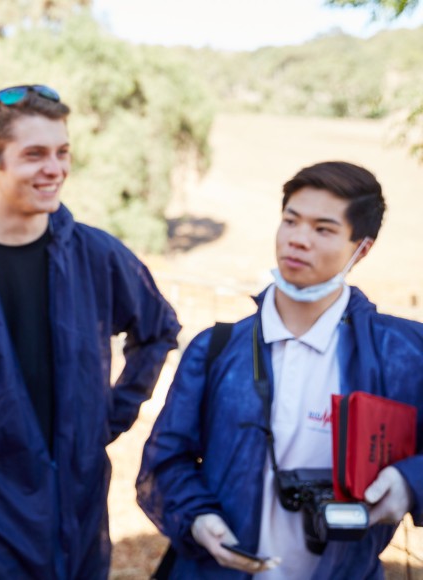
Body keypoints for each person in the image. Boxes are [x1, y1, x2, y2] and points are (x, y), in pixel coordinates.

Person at [0, 84, 181, 578]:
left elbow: (158, 329)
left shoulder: (96, 255)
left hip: (79, 522)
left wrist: (109, 416)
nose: (55, 168)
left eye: (62, 152)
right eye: (35, 154)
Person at [137, 161, 423, 579]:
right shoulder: (216, 350)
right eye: (291, 221)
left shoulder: (404, 354)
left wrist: (409, 481)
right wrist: (198, 518)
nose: (298, 239)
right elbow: (167, 459)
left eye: (323, 229)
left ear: (362, 247)